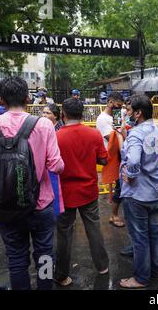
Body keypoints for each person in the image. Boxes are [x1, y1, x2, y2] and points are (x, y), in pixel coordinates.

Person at [0, 77, 64, 290]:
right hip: (41, 204)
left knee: (16, 258)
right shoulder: (43, 125)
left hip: (5, 207)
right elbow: (57, 167)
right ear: (27, 98)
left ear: (0, 100)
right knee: (45, 255)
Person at [54, 98, 109, 287]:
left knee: (63, 233)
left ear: (63, 114)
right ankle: (102, 266)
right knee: (93, 229)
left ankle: (61, 274)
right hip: (89, 191)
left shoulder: (56, 136)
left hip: (64, 194)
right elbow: (103, 160)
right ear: (83, 114)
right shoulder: (93, 134)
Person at [119, 94, 158, 289]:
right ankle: (154, 271)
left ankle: (141, 278)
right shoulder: (156, 128)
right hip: (154, 191)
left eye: (129, 111)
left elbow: (135, 160)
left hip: (137, 194)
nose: (127, 114)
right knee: (153, 235)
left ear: (138, 113)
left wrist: (131, 174)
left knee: (140, 238)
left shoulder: (136, 133)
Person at [96, 92, 126, 228]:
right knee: (120, 185)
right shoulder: (102, 118)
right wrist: (124, 135)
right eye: (118, 104)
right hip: (113, 155)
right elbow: (112, 138)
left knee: (123, 185)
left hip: (119, 154)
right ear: (109, 102)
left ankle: (117, 213)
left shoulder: (115, 116)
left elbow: (119, 132)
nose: (119, 107)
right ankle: (114, 215)